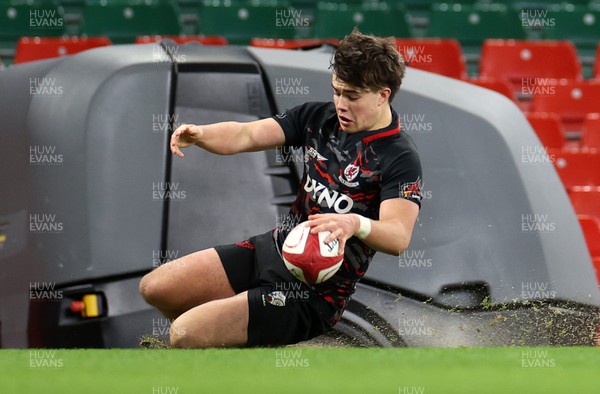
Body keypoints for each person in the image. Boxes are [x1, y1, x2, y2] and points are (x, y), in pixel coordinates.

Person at [139, 29, 423, 348]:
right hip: (272, 250)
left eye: (352, 96)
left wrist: (355, 223)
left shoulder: (398, 156)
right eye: (337, 92)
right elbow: (247, 135)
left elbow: (399, 237)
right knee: (156, 287)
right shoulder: (319, 118)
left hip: (313, 293)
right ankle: (234, 352)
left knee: (186, 333)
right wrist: (201, 133)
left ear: (382, 95)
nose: (340, 104)